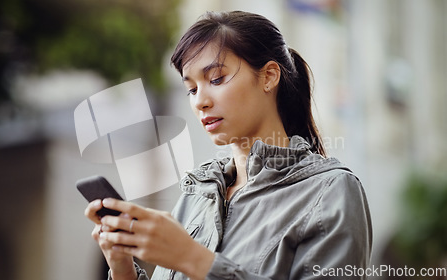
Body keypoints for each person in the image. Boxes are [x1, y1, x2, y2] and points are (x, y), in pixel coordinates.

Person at [85, 10, 372, 280]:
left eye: (217, 79)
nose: (200, 101)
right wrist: (123, 269)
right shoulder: (197, 195)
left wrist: (193, 258)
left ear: (269, 76)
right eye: (192, 89)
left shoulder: (330, 191)